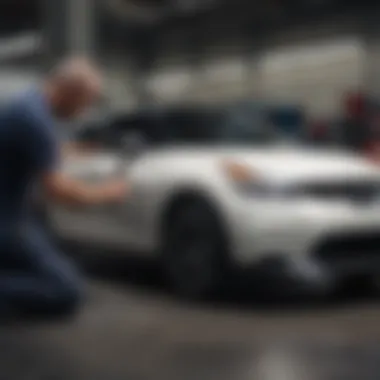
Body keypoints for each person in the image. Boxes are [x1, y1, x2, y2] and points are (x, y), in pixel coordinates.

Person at [0, 57, 129, 318]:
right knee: (65, 289)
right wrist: (108, 193)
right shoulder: (35, 120)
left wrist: (74, 151)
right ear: (71, 92)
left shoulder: (27, 105)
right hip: (7, 220)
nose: (85, 110)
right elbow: (57, 190)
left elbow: (36, 149)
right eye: (87, 101)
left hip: (12, 211)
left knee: (43, 239)